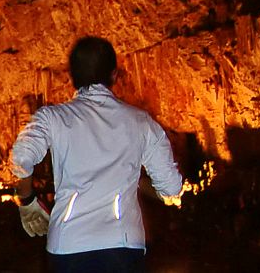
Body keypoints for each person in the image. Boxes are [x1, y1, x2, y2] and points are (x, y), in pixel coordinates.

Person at [10, 36, 183, 273]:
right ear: (114, 74)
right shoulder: (141, 122)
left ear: (72, 76)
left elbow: (22, 157)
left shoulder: (53, 117)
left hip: (68, 245)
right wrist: (136, 181)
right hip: (122, 245)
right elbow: (171, 188)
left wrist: (27, 200)